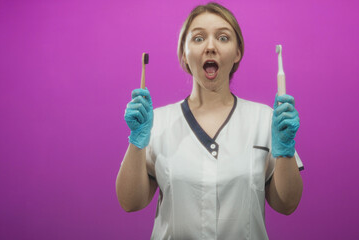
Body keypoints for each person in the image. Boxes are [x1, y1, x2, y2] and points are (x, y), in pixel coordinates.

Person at [116, 2, 304, 239]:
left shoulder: (265, 119)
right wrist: (136, 141)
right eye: (198, 38)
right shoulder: (157, 123)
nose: (211, 46)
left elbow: (286, 204)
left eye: (223, 38)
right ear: (184, 53)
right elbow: (130, 201)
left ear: (238, 52)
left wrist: (285, 149)